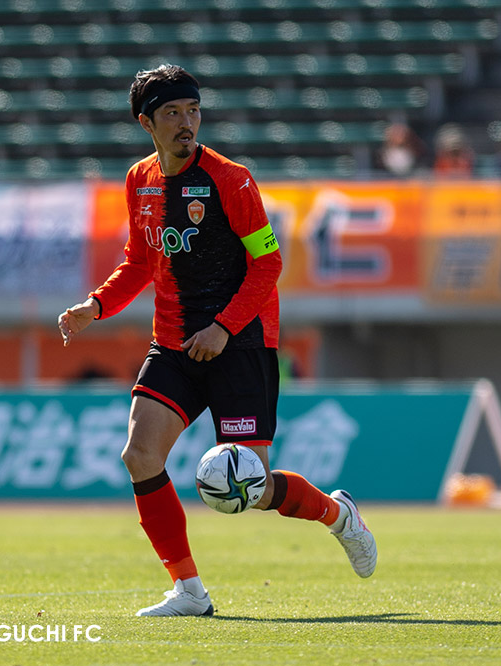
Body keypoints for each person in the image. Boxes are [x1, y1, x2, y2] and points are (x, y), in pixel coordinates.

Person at [58, 64, 377, 617]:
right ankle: (189, 591)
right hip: (174, 344)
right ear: (147, 123)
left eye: (193, 110)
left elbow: (269, 263)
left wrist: (223, 328)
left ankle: (338, 514)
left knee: (250, 487)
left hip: (240, 341)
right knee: (139, 455)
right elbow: (140, 262)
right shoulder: (139, 180)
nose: (187, 122)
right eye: (172, 113)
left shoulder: (231, 179)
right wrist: (97, 305)